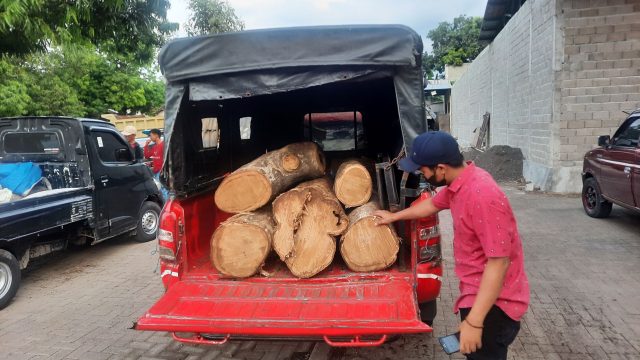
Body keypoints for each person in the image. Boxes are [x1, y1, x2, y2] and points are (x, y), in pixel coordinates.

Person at [374, 131, 529, 360]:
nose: (420, 173)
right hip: (477, 295)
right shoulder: (460, 183)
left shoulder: (482, 196)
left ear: (441, 168)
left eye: (423, 169)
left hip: (494, 304)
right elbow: (432, 205)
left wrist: (475, 323)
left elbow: (499, 263)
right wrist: (394, 217)